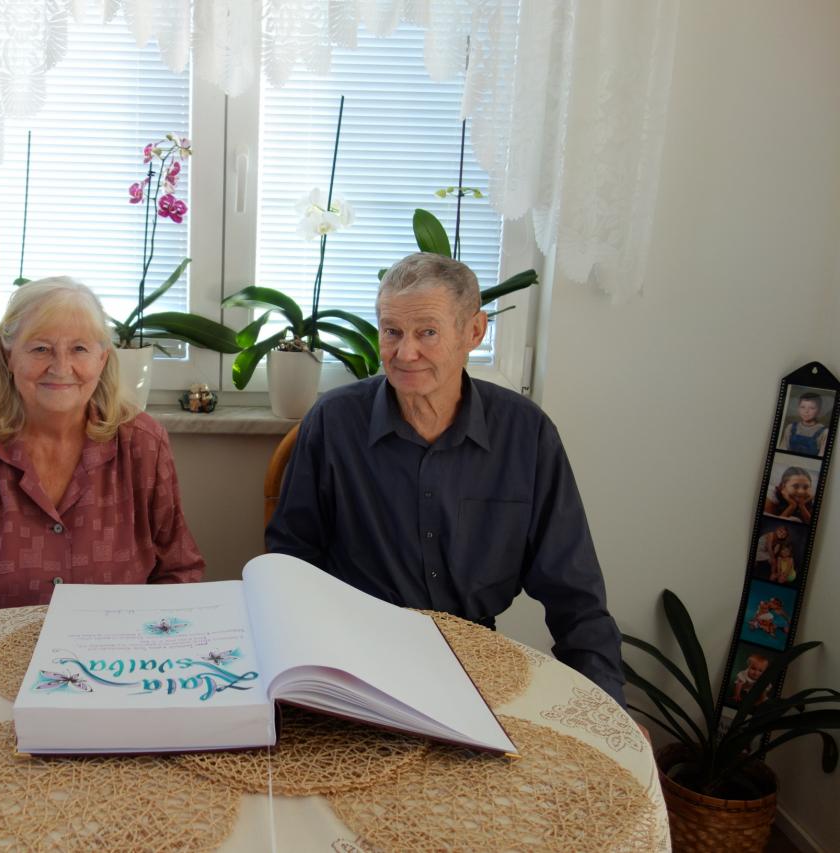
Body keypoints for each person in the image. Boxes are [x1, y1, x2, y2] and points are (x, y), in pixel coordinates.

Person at [266, 253, 626, 705]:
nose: (405, 353)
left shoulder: (526, 433)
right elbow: (291, 565)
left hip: (478, 664)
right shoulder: (333, 423)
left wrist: (606, 708)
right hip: (356, 663)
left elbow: (575, 592)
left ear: (473, 332)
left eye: (427, 333)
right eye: (392, 331)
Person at [0, 277, 204, 627]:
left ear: (102, 359)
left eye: (79, 349)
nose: (60, 367)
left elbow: (179, 571)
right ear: (8, 356)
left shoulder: (143, 443)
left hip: (118, 653)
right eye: (40, 349)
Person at [778, 392, 829, 456]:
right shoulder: (790, 428)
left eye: (812, 408)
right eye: (802, 407)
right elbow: (782, 450)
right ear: (798, 409)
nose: (806, 411)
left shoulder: (824, 432)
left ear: (819, 410)